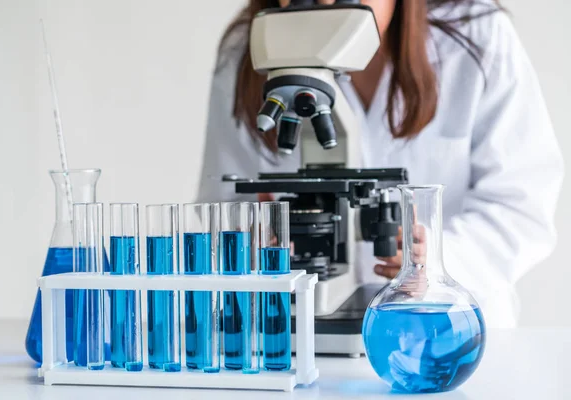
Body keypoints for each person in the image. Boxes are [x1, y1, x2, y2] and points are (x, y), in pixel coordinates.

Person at [196, 0, 564, 328]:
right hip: (296, 329)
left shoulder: (476, 33)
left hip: (447, 329)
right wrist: (255, 239)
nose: (325, 3)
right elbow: (223, 204)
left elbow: (520, 205)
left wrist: (432, 260)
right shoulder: (248, 49)